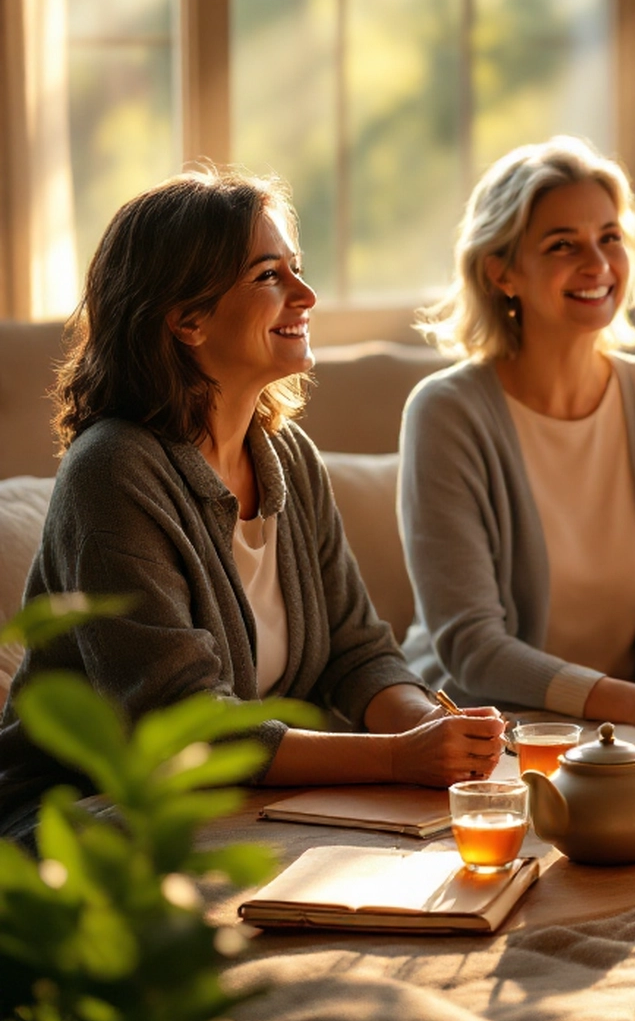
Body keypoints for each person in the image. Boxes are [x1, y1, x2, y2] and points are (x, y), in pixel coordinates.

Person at [0, 169, 503, 842]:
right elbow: (183, 726)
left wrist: (426, 729)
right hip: (88, 823)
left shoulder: (288, 455)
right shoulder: (113, 471)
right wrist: (393, 757)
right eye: (270, 276)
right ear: (186, 319)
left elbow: (356, 652)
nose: (306, 294)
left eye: (296, 268)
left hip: (241, 803)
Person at [400, 136, 635, 736]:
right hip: (480, 734)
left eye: (609, 237)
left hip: (627, 737)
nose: (597, 265)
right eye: (562, 245)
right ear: (501, 272)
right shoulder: (448, 412)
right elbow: (471, 645)